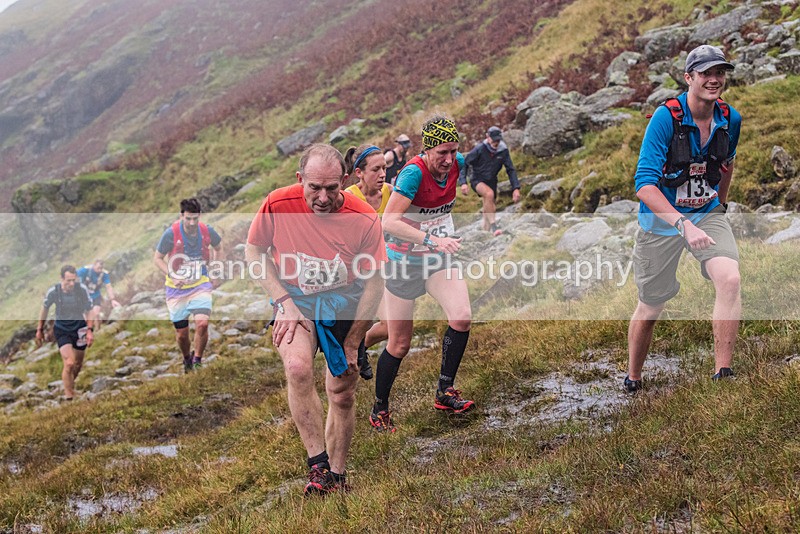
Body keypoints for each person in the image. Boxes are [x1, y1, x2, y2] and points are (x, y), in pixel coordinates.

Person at [245, 144, 386, 495]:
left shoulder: (364, 218)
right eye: (314, 188)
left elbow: (375, 282)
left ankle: (337, 475)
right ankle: (318, 467)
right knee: (297, 368)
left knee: (341, 393)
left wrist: (354, 341)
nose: (322, 197)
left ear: (343, 181)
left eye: (331, 188)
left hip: (346, 303)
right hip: (295, 300)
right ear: (300, 179)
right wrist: (283, 301)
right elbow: (253, 251)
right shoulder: (277, 203)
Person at [625, 44, 742, 392]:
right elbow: (644, 185)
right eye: (706, 73)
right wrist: (681, 223)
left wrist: (719, 204)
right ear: (689, 77)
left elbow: (727, 162)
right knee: (651, 305)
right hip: (661, 222)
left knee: (730, 278)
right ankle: (633, 377)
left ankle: (723, 373)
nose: (714, 79)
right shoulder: (667, 118)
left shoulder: (730, 118)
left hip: (706, 212)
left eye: (719, 72)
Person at [370, 114, 474, 433]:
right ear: (427, 149)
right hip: (403, 263)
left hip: (437, 260)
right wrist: (431, 238)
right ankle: (380, 408)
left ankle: (444, 392)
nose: (448, 159)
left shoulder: (457, 164)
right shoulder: (412, 174)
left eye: (453, 151)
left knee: (462, 317)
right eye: (441, 152)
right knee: (399, 343)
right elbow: (389, 222)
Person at [153, 198, 222, 373]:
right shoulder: (171, 234)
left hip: (200, 283)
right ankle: (187, 359)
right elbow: (157, 258)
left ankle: (198, 359)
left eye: (195, 219)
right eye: (188, 219)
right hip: (176, 289)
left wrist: (215, 269)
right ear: (181, 216)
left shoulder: (207, 231)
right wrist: (172, 275)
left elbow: (219, 247)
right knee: (182, 335)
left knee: (202, 324)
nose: (192, 223)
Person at [344, 144, 393, 380]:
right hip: (355, 272)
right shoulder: (349, 197)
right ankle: (354, 349)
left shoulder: (390, 193)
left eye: (384, 168)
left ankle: (360, 345)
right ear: (359, 173)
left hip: (382, 269)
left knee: (389, 327)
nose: (382, 174)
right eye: (376, 169)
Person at [35, 265, 96, 400]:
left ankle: (69, 385)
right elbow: (44, 309)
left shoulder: (81, 290)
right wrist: (39, 329)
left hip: (80, 328)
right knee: (69, 363)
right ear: (61, 278)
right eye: (68, 280)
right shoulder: (54, 291)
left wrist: (90, 330)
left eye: (73, 280)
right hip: (62, 329)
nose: (71, 284)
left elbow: (89, 310)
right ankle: (69, 396)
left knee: (78, 364)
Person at [458, 126, 521, 235]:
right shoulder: (479, 149)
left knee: (490, 206)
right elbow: (464, 164)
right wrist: (463, 182)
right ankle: (494, 226)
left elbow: (510, 169)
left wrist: (516, 188)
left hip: (492, 181)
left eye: (498, 140)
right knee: (489, 194)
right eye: (494, 139)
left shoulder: (503, 151)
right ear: (488, 137)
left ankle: (485, 232)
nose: (496, 142)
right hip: (477, 179)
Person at [76, 259, 121, 324]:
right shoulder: (86, 270)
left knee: (96, 313)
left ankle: (97, 330)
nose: (99, 270)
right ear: (94, 265)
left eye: (101, 268)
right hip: (84, 296)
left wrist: (112, 299)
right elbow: (74, 276)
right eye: (98, 268)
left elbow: (108, 286)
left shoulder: (104, 274)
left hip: (95, 295)